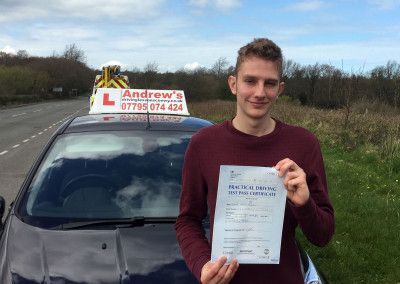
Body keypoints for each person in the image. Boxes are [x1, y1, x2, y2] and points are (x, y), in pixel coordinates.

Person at [175, 38, 334, 284]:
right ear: (233, 84)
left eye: (269, 83)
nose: (260, 93)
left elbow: (322, 235)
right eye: (250, 81)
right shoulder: (203, 144)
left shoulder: (304, 144)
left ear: (280, 89)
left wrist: (304, 204)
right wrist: (202, 265)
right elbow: (188, 220)